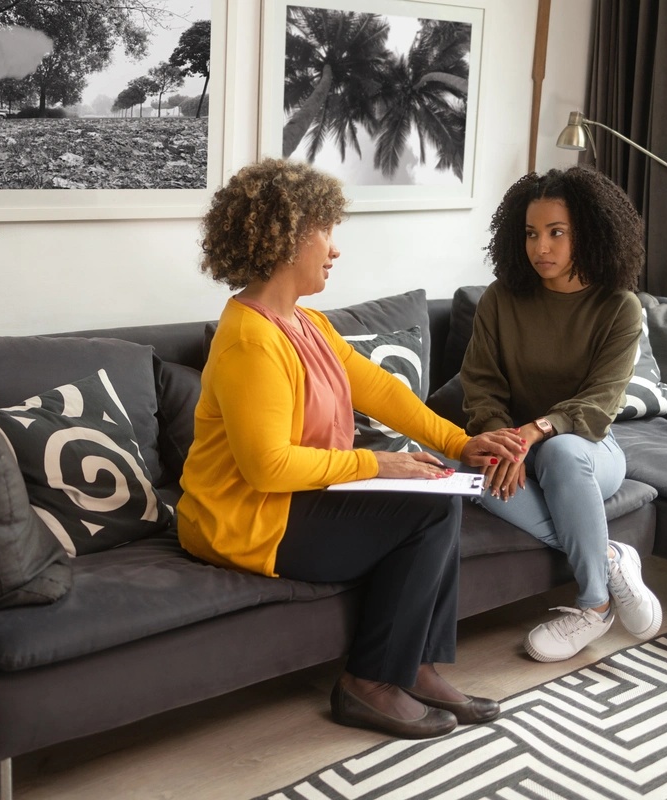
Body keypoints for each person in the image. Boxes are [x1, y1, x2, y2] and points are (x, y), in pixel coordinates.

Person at [176, 158, 527, 740]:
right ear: (286, 237)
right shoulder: (250, 340)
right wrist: (382, 464)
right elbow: (267, 467)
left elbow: (381, 389)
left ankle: (414, 667)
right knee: (428, 509)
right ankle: (368, 683)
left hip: (296, 499)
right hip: (244, 518)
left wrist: (461, 443)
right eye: (326, 231)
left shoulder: (305, 324)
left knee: (438, 493)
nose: (334, 249)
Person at [459, 166, 663, 663]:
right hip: (516, 451)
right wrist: (502, 441)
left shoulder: (620, 308)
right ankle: (611, 556)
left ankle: (593, 604)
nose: (540, 248)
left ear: (588, 233)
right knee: (472, 468)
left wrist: (537, 431)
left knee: (563, 453)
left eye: (556, 233)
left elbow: (598, 402)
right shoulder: (499, 299)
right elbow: (481, 388)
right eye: (531, 233)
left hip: (590, 450)